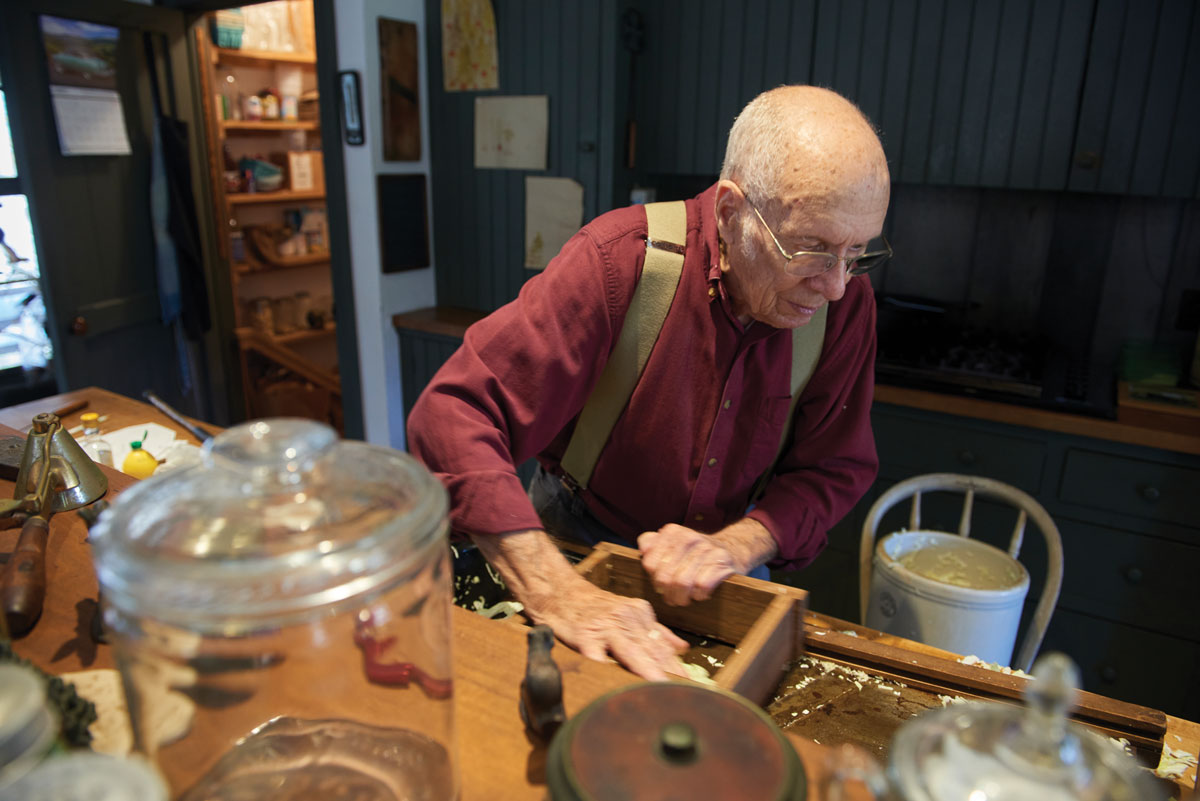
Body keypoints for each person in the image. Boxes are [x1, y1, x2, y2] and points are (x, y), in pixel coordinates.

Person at [407, 85, 891, 680]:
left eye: (858, 253)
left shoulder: (842, 303)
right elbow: (454, 412)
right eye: (812, 249)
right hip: (577, 542)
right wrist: (554, 590)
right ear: (732, 211)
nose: (838, 284)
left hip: (723, 567)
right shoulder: (618, 263)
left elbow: (831, 468)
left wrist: (742, 542)